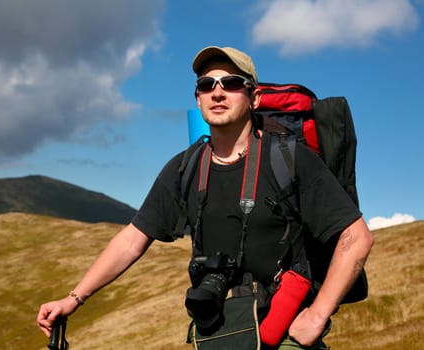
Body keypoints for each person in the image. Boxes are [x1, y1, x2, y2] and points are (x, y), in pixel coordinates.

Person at [37, 46, 375, 349]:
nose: (217, 92)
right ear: (197, 99)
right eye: (206, 85)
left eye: (231, 83)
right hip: (220, 330)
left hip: (284, 329)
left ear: (254, 98)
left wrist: (317, 315)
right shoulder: (185, 167)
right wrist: (74, 299)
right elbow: (132, 239)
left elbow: (356, 237)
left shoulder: (290, 159)